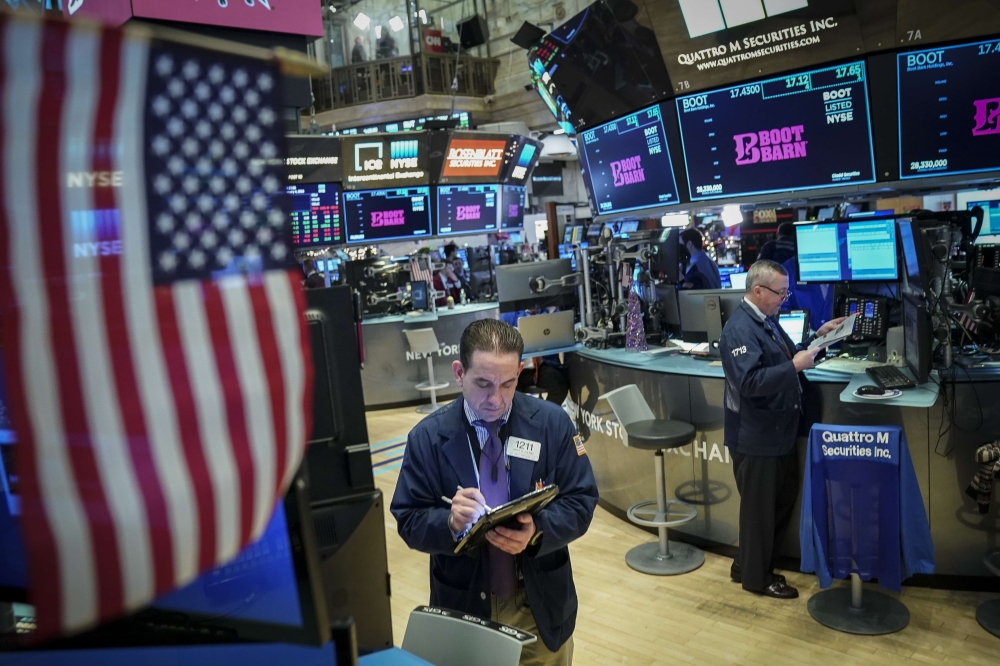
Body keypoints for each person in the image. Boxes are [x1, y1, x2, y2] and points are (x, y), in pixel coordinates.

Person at [391, 319, 598, 665]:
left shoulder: (552, 424)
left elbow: (581, 501)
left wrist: (538, 530)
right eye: (483, 383)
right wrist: (450, 523)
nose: (496, 399)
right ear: (459, 373)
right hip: (465, 602)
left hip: (538, 603)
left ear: (520, 372)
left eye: (508, 383)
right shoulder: (427, 437)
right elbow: (408, 517)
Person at [720, 260, 845, 600]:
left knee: (775, 505)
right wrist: (794, 366)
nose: (784, 299)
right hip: (757, 436)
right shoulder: (738, 330)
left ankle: (746, 563)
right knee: (762, 512)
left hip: (777, 432)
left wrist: (816, 335)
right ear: (757, 291)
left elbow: (780, 355)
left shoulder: (765, 321)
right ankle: (758, 579)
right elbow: (749, 382)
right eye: (780, 292)